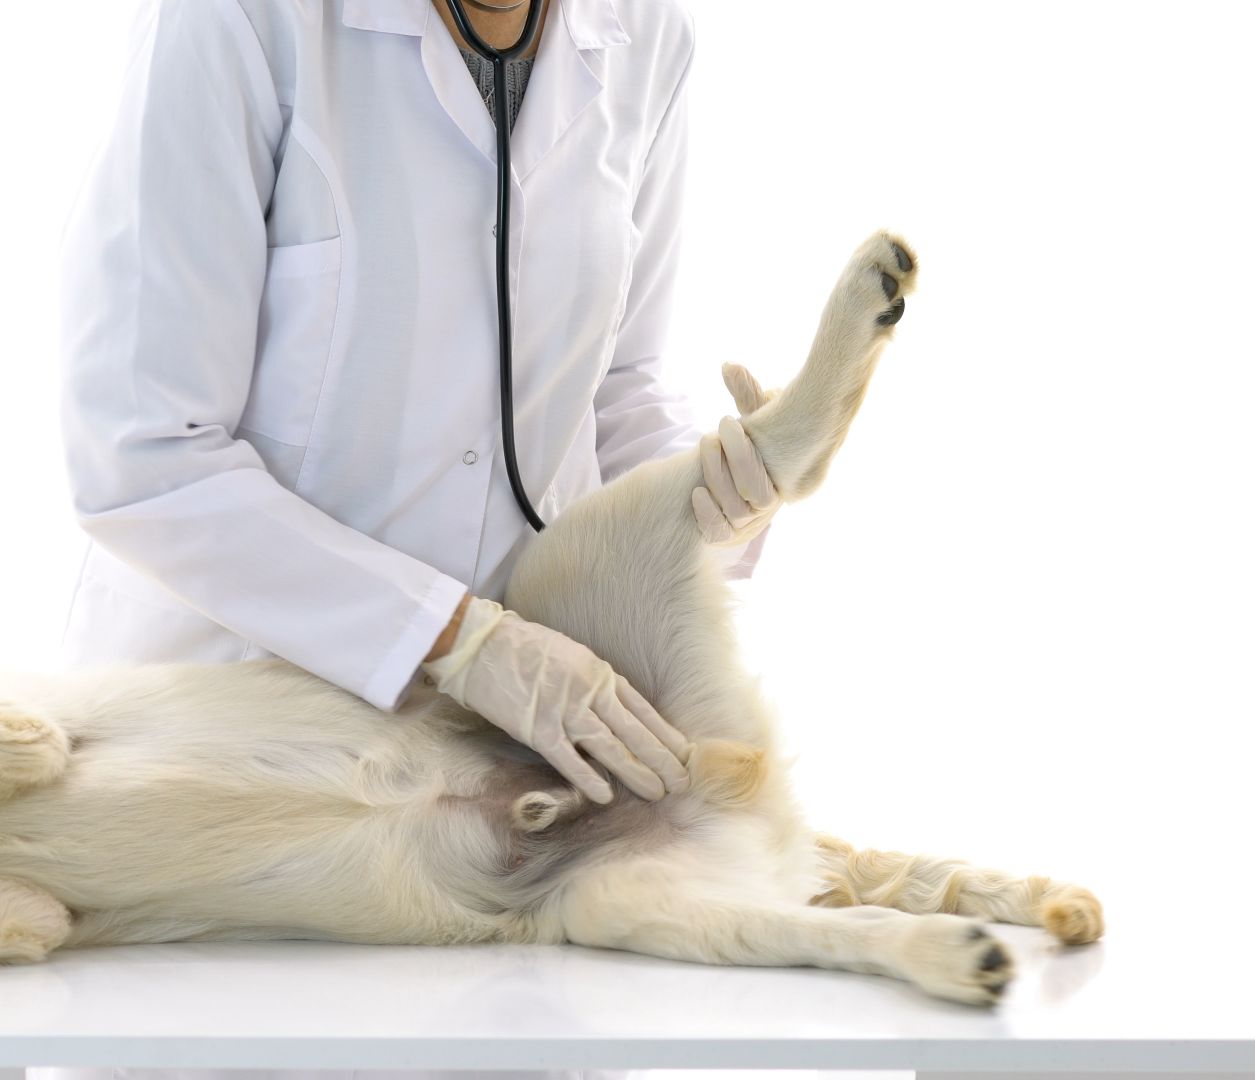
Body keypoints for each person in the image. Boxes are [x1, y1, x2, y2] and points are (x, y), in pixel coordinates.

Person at [46, 0, 773, 1073]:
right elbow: (142, 452)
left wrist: (709, 502)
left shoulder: (641, 35)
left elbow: (618, 386)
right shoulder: (241, 23)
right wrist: (458, 641)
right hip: (235, 752)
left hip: (499, 795)